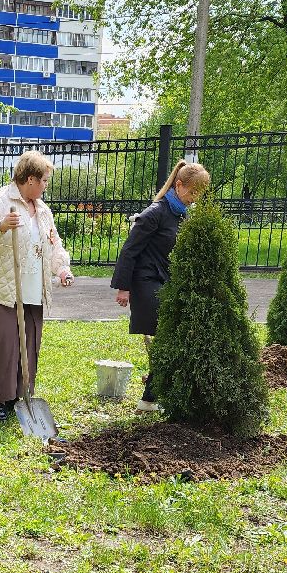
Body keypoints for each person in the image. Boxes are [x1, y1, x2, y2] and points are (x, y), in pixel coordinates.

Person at [0, 151, 74, 421]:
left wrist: (62, 268)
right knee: (3, 345)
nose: (46, 185)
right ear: (30, 179)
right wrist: (0, 226)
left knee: (28, 343)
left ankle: (16, 396)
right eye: (44, 180)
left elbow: (53, 244)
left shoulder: (43, 211)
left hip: (31, 290)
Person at [111, 159, 211, 411]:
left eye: (199, 194)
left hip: (164, 281)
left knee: (168, 338)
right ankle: (151, 398)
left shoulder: (182, 214)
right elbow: (129, 250)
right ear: (179, 185)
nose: (194, 198)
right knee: (168, 335)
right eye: (192, 192)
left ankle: (153, 397)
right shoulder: (155, 213)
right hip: (145, 282)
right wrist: (123, 288)